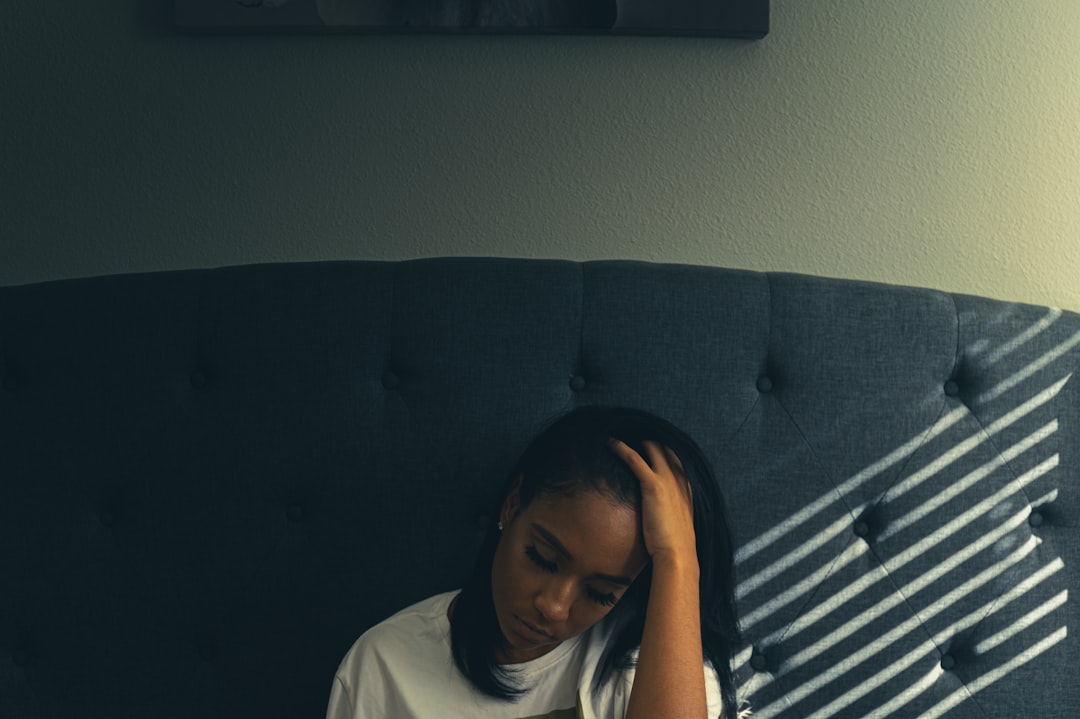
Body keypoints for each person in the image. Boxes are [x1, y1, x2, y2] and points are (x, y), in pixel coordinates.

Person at [325, 405, 742, 718]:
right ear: (511, 505)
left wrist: (678, 560)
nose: (554, 607)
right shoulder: (383, 663)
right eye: (541, 558)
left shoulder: (652, 665)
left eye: (600, 594)